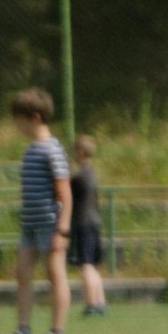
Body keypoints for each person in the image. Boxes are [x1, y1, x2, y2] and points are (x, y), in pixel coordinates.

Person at [5, 86, 69, 334]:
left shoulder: (51, 150)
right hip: (29, 224)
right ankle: (23, 330)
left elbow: (65, 192)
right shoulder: (31, 149)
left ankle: (57, 332)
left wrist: (62, 229)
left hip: (50, 224)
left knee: (56, 276)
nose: (16, 125)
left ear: (34, 118)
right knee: (22, 274)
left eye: (19, 120)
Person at [71, 133, 107, 316]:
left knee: (85, 264)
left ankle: (91, 303)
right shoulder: (91, 173)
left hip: (83, 223)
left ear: (81, 151)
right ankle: (100, 302)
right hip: (94, 222)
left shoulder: (79, 176)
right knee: (92, 265)